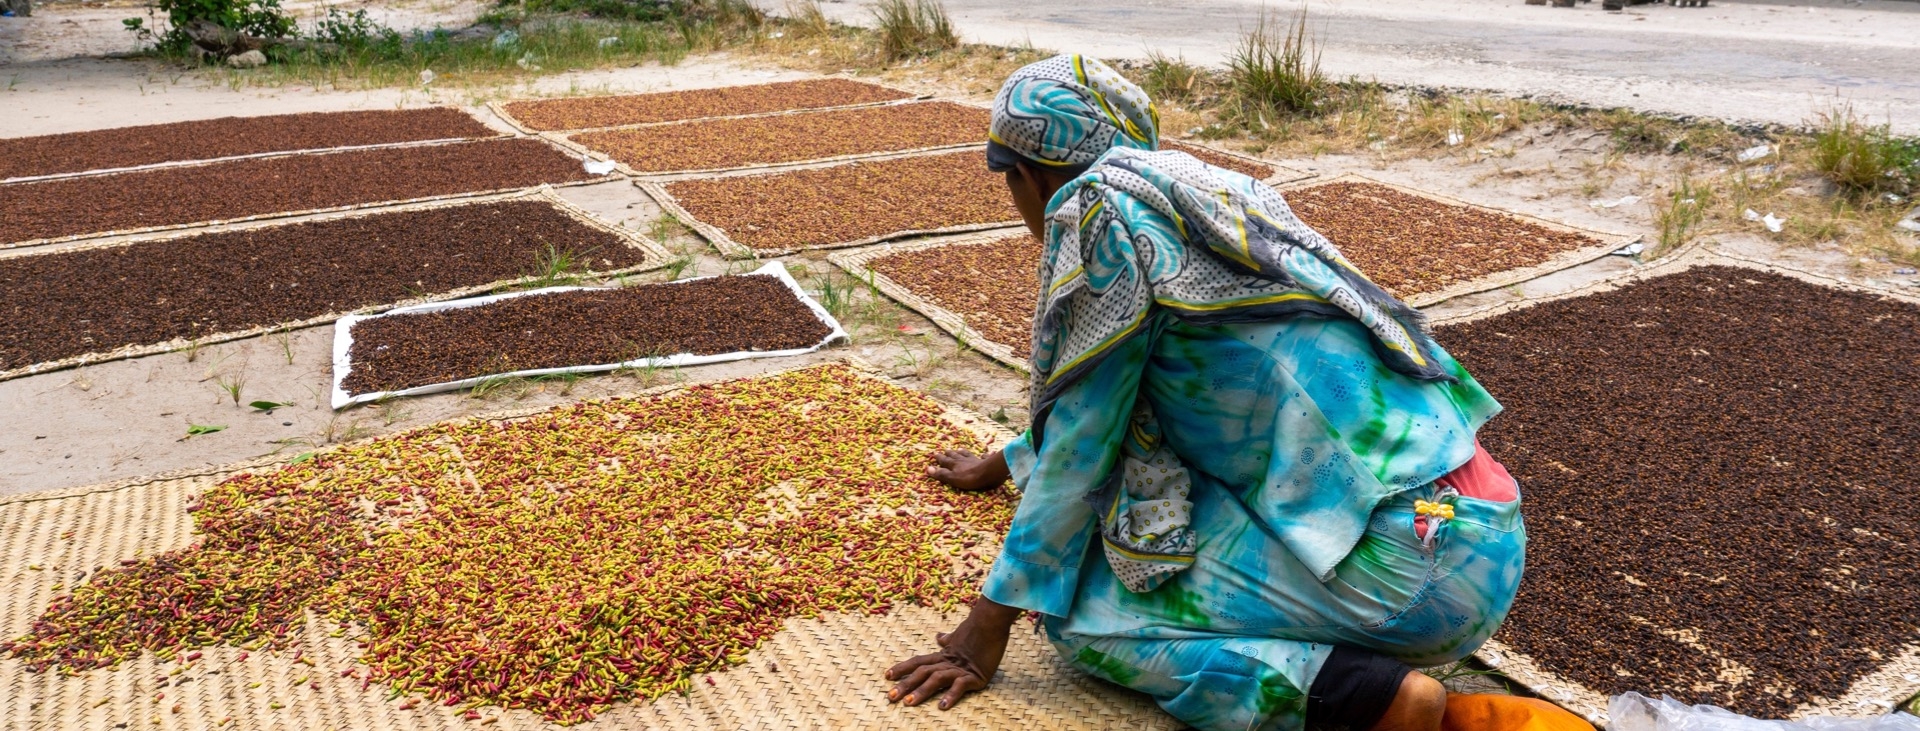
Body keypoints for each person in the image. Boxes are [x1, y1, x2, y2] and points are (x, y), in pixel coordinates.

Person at [884, 54, 1527, 731]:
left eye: (1009, 182)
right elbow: (1133, 393)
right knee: (1165, 506)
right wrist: (1008, 461)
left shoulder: (1098, 215)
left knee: (1079, 611)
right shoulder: (1200, 189)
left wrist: (985, 627)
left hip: (1407, 575)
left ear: (1027, 173)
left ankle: (1361, 700)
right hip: (1479, 526)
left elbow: (1082, 442)